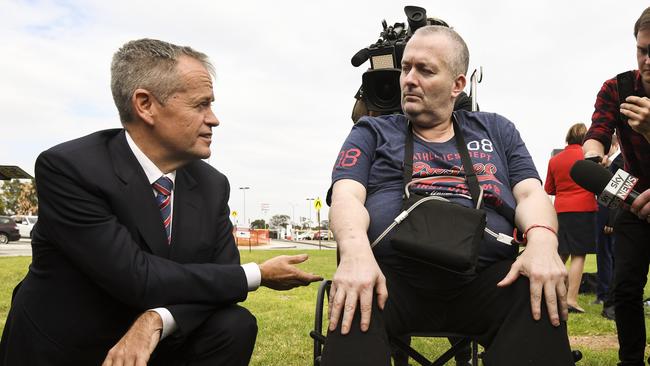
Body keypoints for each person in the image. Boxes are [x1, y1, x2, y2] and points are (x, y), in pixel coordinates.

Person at [0, 38, 322, 366]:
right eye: (200, 105)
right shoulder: (70, 169)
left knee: (233, 324)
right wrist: (258, 273)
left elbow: (219, 278)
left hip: (155, 345)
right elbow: (135, 276)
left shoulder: (212, 185)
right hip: (68, 348)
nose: (214, 119)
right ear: (145, 105)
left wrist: (156, 320)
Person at [320, 25, 575, 366]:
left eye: (425, 70)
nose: (409, 79)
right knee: (354, 295)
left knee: (536, 294)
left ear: (458, 84)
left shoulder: (497, 130)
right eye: (406, 67)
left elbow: (530, 193)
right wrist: (354, 254)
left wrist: (543, 244)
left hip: (486, 280)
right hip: (391, 279)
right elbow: (347, 196)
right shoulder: (371, 131)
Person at [583, 7, 650, 365]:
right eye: (642, 50)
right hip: (635, 196)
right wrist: (594, 159)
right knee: (625, 287)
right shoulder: (618, 87)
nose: (648, 59)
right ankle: (631, 360)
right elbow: (598, 133)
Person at [544, 123, 598, 314]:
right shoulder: (587, 157)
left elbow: (549, 189)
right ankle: (571, 299)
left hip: (560, 210)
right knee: (579, 254)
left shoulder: (555, 160)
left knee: (561, 254)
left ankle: (551, 295)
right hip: (583, 209)